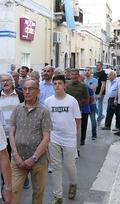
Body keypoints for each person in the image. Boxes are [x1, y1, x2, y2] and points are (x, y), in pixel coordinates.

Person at [9, 78, 53, 204]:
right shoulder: (17, 109)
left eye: (30, 89)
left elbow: (46, 138)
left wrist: (33, 158)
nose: (27, 91)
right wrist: (16, 155)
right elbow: (11, 133)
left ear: (38, 91)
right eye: (25, 89)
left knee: (38, 192)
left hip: (38, 160)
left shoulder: (44, 111)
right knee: (14, 190)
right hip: (18, 158)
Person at [44, 75, 81, 204]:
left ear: (65, 85)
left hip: (69, 138)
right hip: (54, 138)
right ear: (53, 86)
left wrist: (74, 135)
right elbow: (47, 120)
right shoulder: (48, 101)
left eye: (60, 83)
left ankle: (73, 183)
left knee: (70, 165)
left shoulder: (72, 101)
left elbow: (77, 119)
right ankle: (58, 195)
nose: (57, 86)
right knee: (56, 166)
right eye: (55, 84)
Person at [84, 67, 98, 140]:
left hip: (92, 102)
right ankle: (82, 135)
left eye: (88, 70)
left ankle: (94, 134)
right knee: (83, 120)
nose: (87, 72)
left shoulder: (94, 80)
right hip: (84, 103)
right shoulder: (83, 80)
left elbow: (93, 89)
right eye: (85, 70)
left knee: (92, 119)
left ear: (91, 72)